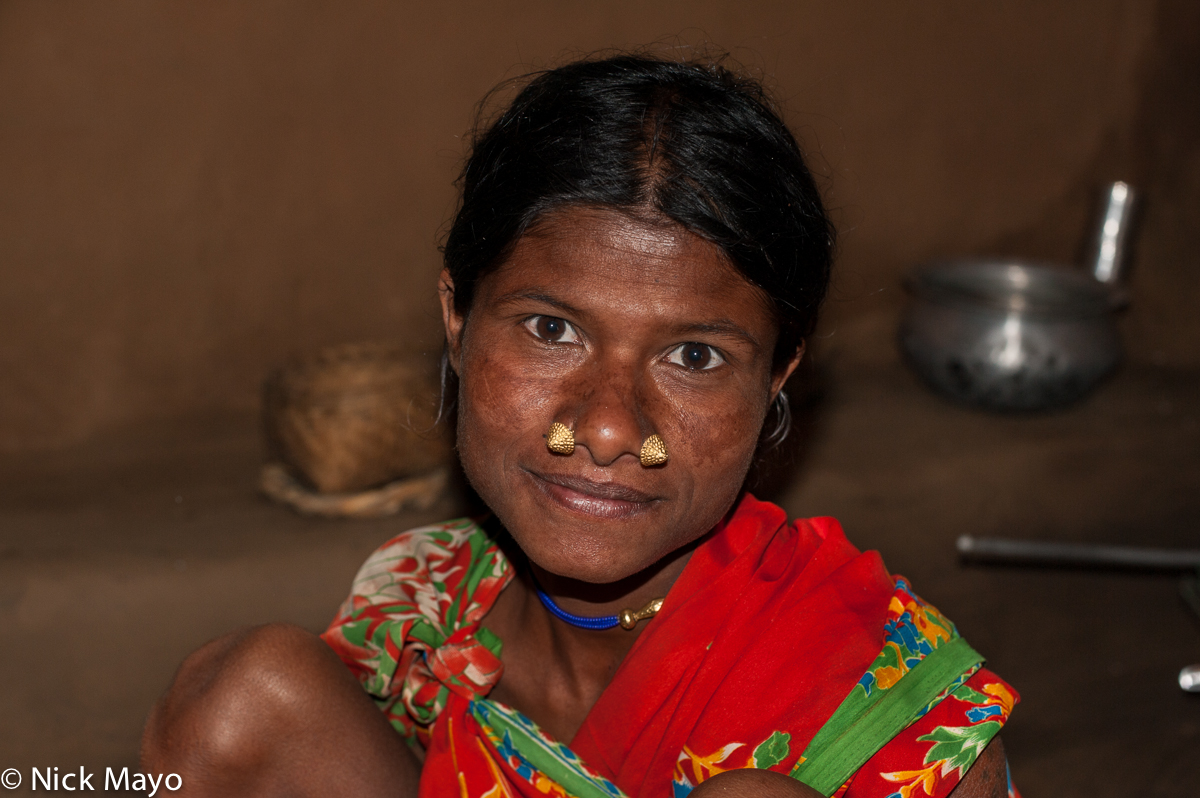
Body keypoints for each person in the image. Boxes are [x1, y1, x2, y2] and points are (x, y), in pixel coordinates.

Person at [141, 54, 1018, 798]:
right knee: (245, 697)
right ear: (458, 320)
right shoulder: (427, 611)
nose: (605, 430)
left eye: (696, 358)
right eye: (551, 330)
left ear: (779, 374)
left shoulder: (873, 702)